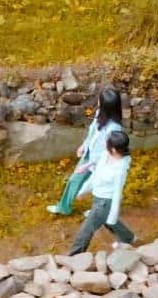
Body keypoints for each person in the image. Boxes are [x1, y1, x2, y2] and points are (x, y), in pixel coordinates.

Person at [46, 86, 125, 216]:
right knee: (74, 180)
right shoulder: (101, 113)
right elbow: (93, 131)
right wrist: (84, 145)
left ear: (107, 106)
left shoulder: (114, 128)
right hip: (90, 154)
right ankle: (63, 208)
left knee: (100, 188)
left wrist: (89, 165)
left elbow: (107, 153)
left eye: (100, 99)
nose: (98, 101)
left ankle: (99, 211)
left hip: (103, 162)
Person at [68, 129, 134, 255]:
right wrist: (84, 188)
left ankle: (74, 257)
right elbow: (97, 170)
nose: (104, 144)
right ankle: (128, 238)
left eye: (106, 142)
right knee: (106, 219)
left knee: (85, 231)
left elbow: (116, 194)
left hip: (105, 202)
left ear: (114, 150)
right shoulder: (106, 155)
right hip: (97, 197)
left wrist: (113, 215)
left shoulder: (119, 171)